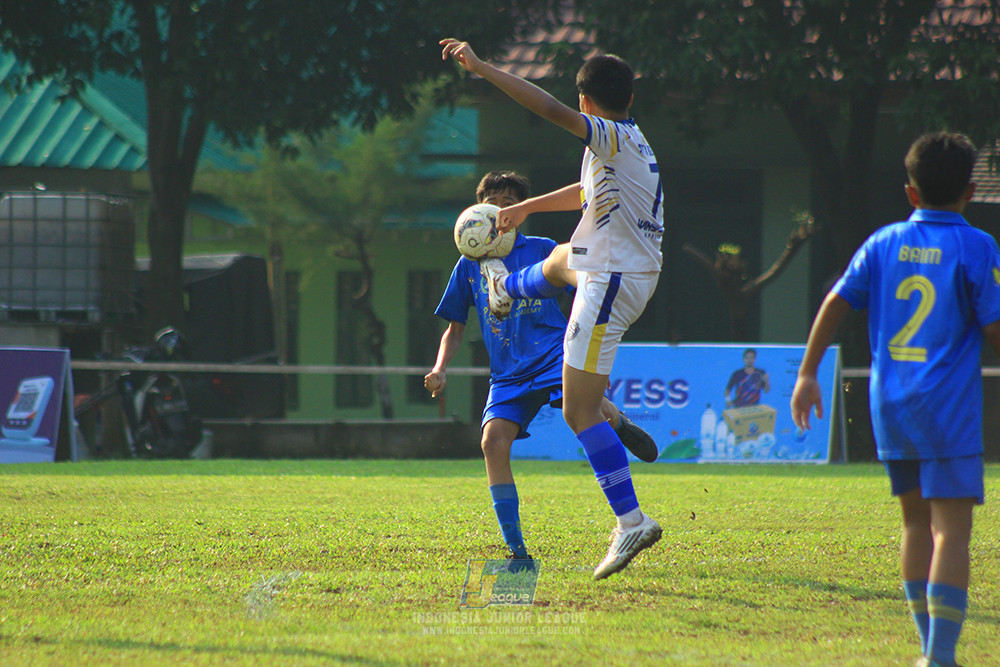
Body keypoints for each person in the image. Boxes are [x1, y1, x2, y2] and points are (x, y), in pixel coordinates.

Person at [440, 38, 664, 579]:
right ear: (632, 94)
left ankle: (630, 520)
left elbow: (546, 108)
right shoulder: (624, 145)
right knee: (564, 256)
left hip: (611, 280)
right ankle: (508, 290)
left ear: (585, 102)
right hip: (609, 269)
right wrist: (524, 208)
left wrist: (483, 67)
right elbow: (584, 196)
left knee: (579, 411)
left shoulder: (608, 134)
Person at [791, 132, 1000, 667]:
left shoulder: (883, 243)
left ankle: (927, 648)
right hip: (947, 409)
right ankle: (940, 655)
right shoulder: (976, 245)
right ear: (971, 191)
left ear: (911, 193)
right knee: (951, 530)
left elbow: (835, 304)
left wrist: (808, 373)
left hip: (892, 405)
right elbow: (995, 325)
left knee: (914, 524)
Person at [425, 170, 659, 565]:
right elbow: (455, 327)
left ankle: (620, 425)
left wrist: (584, 340)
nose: (500, 213)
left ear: (519, 213)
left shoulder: (544, 250)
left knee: (589, 409)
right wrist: (440, 367)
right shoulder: (468, 265)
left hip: (552, 352)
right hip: (507, 373)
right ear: (478, 211)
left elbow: (584, 292)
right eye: (492, 204)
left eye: (508, 205)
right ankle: (515, 548)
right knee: (491, 443)